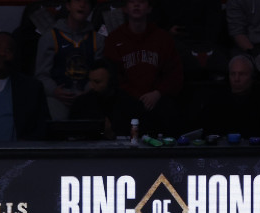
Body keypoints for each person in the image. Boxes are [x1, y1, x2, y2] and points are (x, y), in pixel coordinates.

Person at [101, 0, 183, 135]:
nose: (136, 5)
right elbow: (113, 77)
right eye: (132, 1)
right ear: (125, 8)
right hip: (127, 103)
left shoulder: (163, 38)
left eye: (142, 2)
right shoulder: (114, 39)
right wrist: (135, 97)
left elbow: (175, 75)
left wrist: (158, 93)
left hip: (157, 102)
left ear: (149, 8)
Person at [35, 0, 103, 121]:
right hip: (56, 98)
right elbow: (41, 75)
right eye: (77, 1)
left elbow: (100, 75)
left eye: (87, 2)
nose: (82, 5)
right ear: (68, 5)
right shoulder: (50, 37)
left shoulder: (97, 40)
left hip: (87, 98)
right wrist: (54, 91)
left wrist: (87, 92)